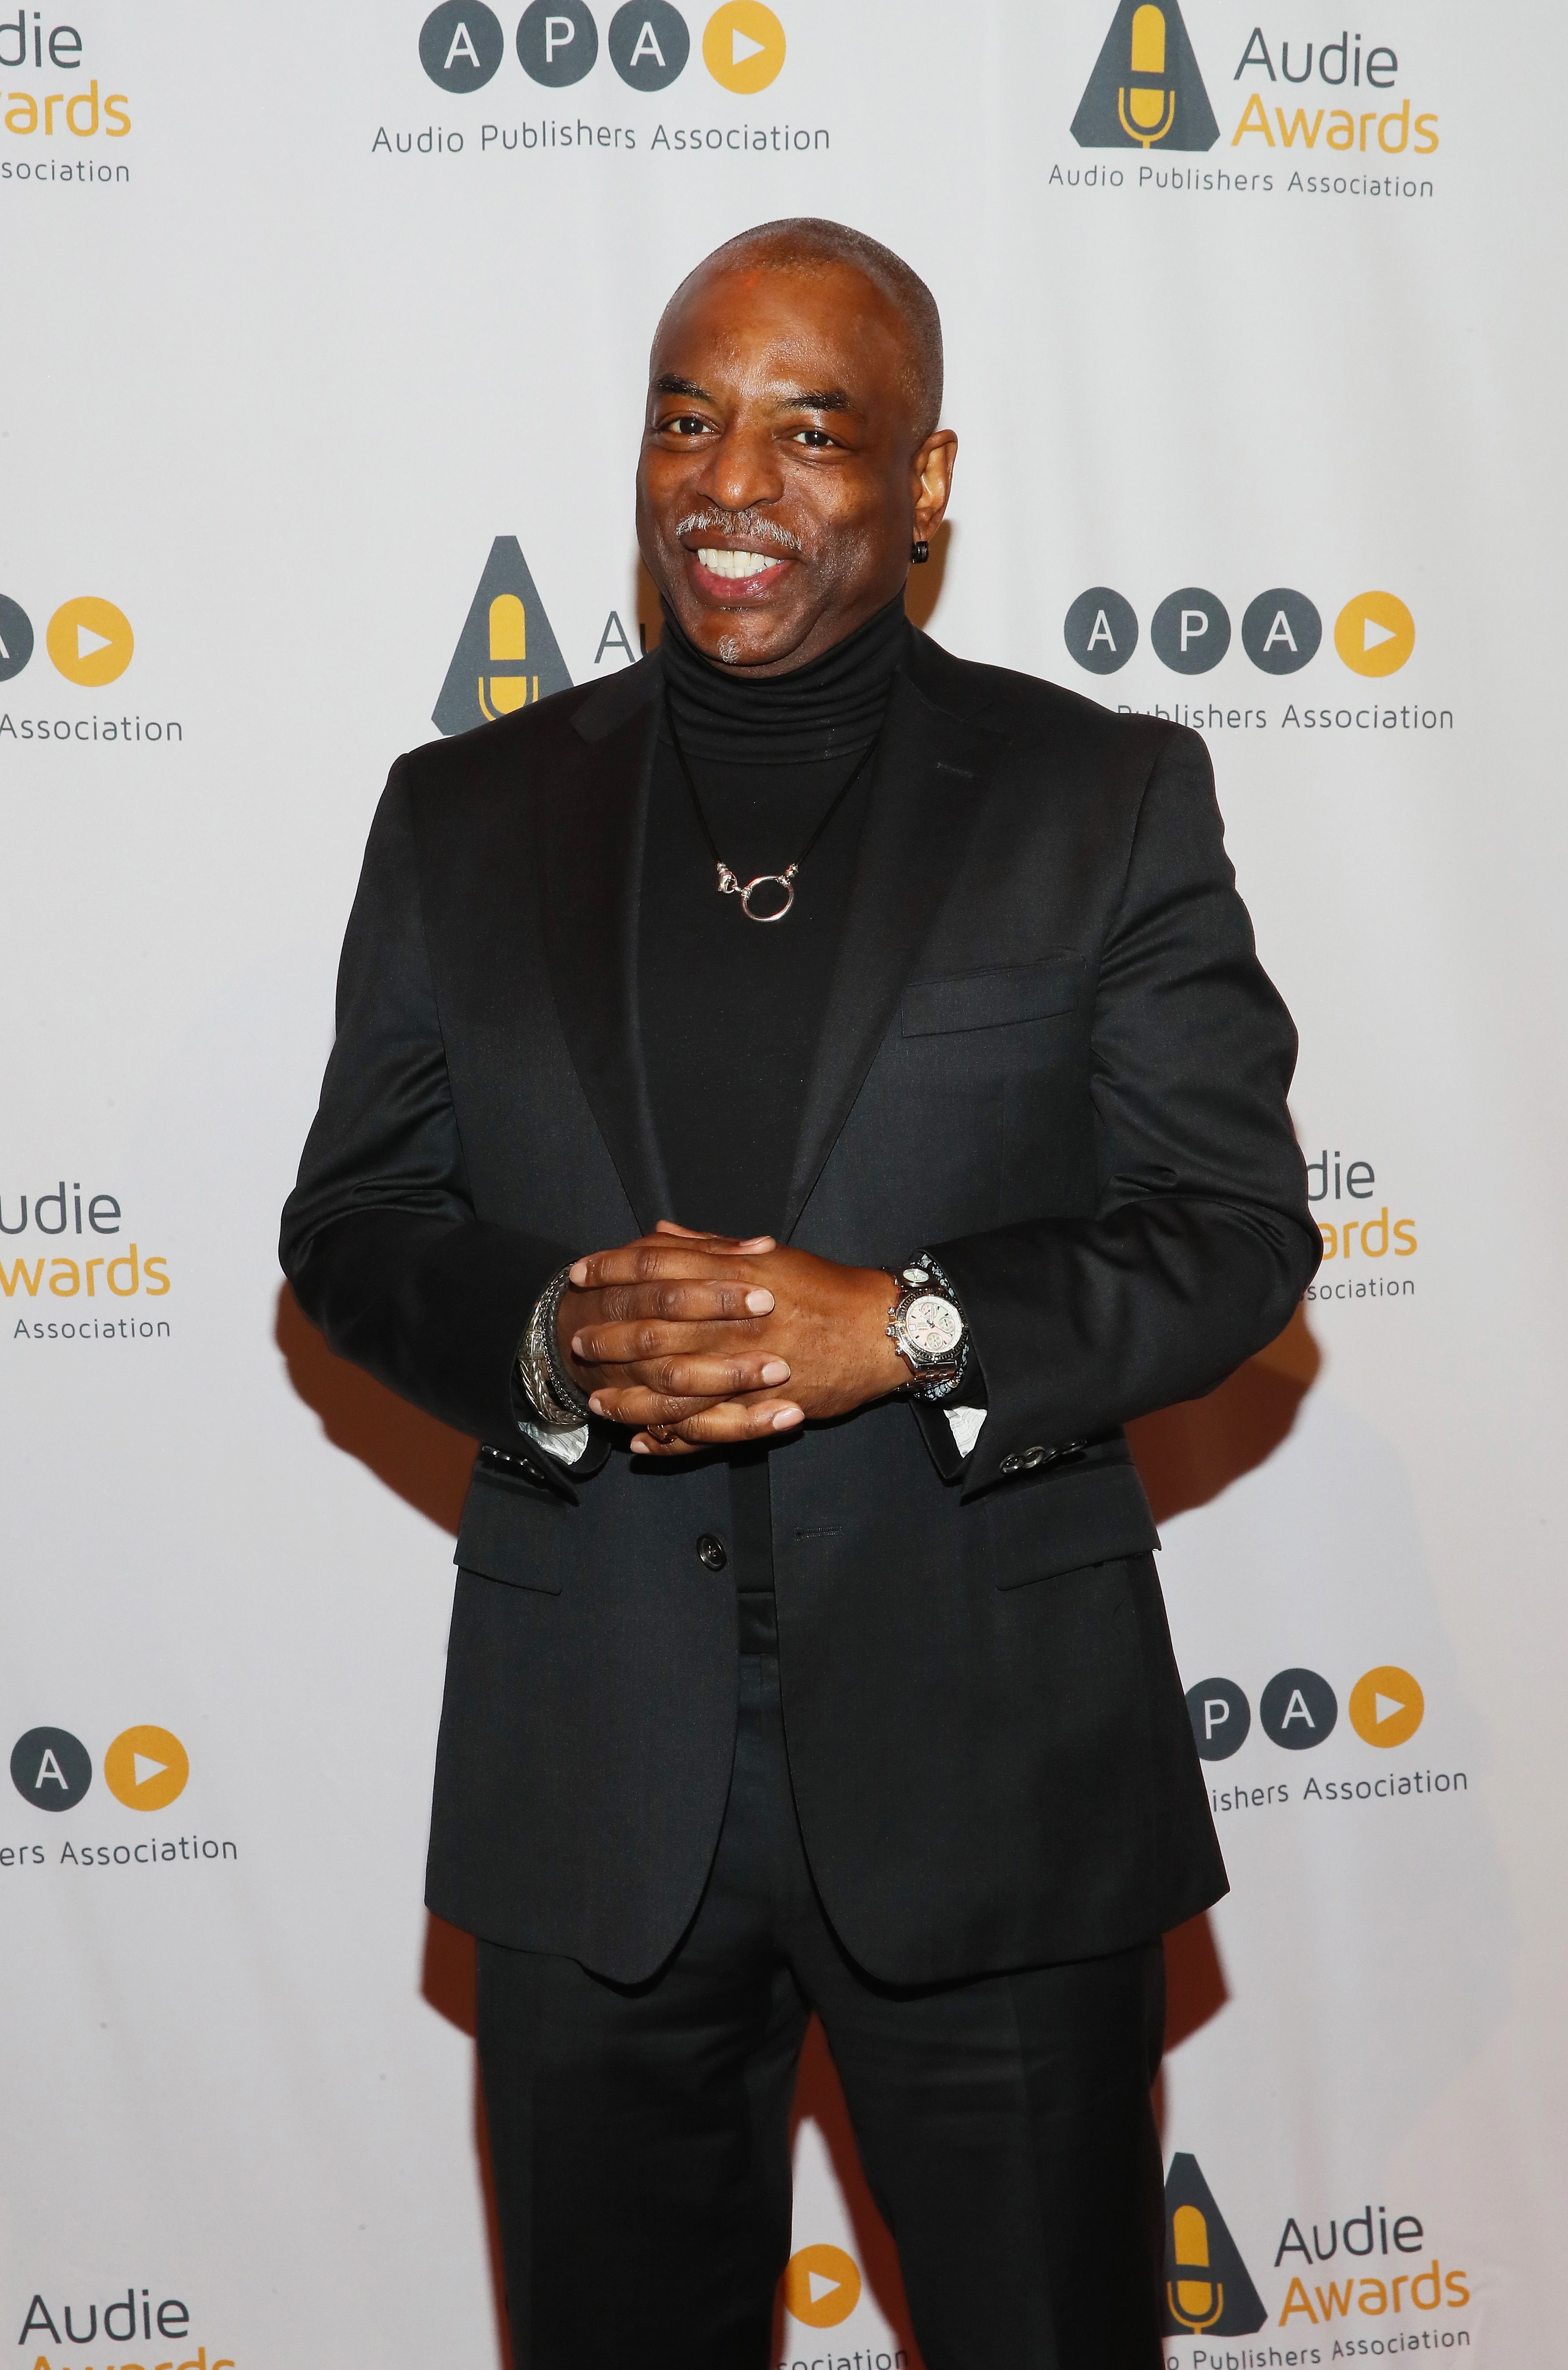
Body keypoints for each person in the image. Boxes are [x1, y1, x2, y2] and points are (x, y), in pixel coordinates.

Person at [280, 216, 1319, 2370]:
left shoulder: (1097, 796)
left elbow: (1230, 1229)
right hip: (595, 1789)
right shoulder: (463, 814)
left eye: (808, 429)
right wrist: (548, 1342)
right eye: (685, 417)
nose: (724, 481)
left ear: (925, 485)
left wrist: (909, 1327)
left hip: (995, 1779)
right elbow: (355, 1219)